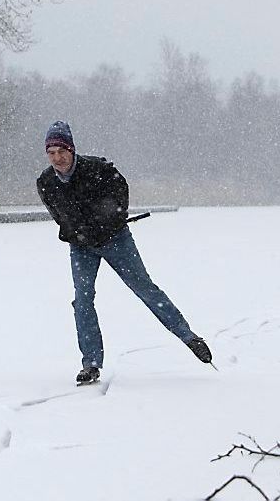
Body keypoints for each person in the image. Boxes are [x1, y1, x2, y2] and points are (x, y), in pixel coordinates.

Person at [36, 120, 212, 385]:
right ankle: (91, 363)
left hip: (115, 241)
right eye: (51, 153)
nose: (57, 158)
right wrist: (76, 233)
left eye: (62, 151)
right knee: (83, 300)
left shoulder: (98, 170)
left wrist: (107, 220)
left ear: (72, 150)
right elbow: (57, 214)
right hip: (81, 247)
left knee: (145, 289)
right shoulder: (46, 182)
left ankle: (189, 337)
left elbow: (120, 196)